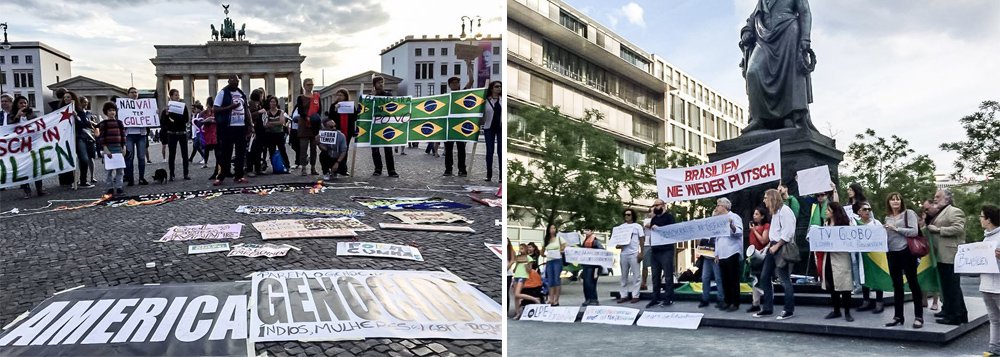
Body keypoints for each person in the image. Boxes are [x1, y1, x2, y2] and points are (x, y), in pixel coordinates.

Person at [738, 0, 815, 132]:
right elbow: (754, 16)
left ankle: (790, 116)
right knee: (753, 72)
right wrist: (747, 30)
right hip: (764, 37)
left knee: (790, 75)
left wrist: (805, 38)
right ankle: (758, 118)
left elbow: (805, 12)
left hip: (788, 32)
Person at [881, 192, 924, 328]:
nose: (895, 202)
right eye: (892, 200)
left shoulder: (908, 213)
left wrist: (896, 228)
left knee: (912, 282)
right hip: (892, 252)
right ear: (888, 202)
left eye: (898, 199)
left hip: (906, 251)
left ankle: (919, 317)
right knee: (897, 285)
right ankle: (898, 316)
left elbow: (914, 232)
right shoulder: (887, 217)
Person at [929, 188, 969, 325]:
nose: (935, 198)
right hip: (940, 254)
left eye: (938, 196)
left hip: (950, 255)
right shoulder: (940, 212)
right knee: (946, 285)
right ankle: (950, 310)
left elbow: (959, 228)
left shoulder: (954, 211)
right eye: (935, 196)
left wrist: (939, 230)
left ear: (947, 198)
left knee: (952, 286)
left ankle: (955, 316)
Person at [756, 188, 796, 320]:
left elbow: (788, 232)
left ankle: (788, 310)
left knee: (784, 279)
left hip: (781, 247)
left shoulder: (785, 211)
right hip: (773, 246)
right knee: (764, 276)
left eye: (766, 198)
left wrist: (777, 245)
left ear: (772, 199)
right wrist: (769, 246)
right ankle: (767, 308)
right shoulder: (775, 213)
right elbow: (775, 233)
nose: (764, 200)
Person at [212, 75, 251, 186]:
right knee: (225, 153)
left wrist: (250, 124)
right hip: (227, 127)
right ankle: (221, 176)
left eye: (237, 81)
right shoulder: (222, 93)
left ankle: (239, 175)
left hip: (241, 126)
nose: (235, 83)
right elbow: (215, 108)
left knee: (240, 153)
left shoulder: (242, 94)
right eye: (233, 81)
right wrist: (230, 107)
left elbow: (246, 109)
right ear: (228, 81)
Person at [820, 202, 855, 322]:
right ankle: (836, 310)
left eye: (828, 210)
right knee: (832, 284)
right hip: (829, 257)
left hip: (841, 256)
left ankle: (847, 312)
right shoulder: (826, 224)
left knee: (845, 284)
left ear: (834, 212)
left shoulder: (846, 224)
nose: (826, 212)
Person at [10, 95, 45, 198]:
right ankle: (27, 190)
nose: (23, 105)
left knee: (36, 166)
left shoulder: (32, 114)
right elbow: (10, 125)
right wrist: (17, 116)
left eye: (25, 103)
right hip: (19, 146)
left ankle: (39, 189)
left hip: (32, 144)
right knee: (23, 167)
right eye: (21, 103)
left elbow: (37, 125)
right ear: (17, 104)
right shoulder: (12, 114)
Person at [856, 201, 886, 314]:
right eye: (864, 209)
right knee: (865, 276)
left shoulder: (876, 223)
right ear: (859, 212)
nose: (867, 211)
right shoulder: (855, 224)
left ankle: (879, 302)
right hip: (863, 255)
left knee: (877, 277)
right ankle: (866, 301)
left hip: (876, 255)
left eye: (869, 209)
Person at [646, 199, 677, 308]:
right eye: (653, 205)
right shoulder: (654, 218)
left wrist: (658, 229)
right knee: (655, 276)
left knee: (668, 276)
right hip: (655, 250)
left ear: (663, 206)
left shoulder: (669, 217)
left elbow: (672, 232)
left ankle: (669, 298)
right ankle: (655, 298)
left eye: (657, 205)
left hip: (666, 250)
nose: (654, 207)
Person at [978, 204, 1000, 356]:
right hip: (986, 284)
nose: (980, 219)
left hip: (998, 285)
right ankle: (994, 348)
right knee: (994, 319)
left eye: (981, 216)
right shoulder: (986, 238)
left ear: (988, 219)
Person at [715, 198, 744, 312]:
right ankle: (727, 301)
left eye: (719, 205)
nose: (717, 207)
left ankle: (735, 302)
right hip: (722, 253)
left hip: (732, 251)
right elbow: (717, 237)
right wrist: (716, 253)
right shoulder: (718, 220)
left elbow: (739, 232)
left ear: (725, 206)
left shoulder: (734, 217)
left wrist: (731, 226)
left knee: (733, 279)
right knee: (724, 279)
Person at [442, 76, 472, 177]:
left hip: (460, 126)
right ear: (449, 85)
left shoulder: (462, 94)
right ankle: (448, 169)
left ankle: (462, 169)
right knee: (448, 149)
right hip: (449, 126)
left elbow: (471, 81)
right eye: (453, 83)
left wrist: (468, 66)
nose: (455, 84)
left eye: (457, 82)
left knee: (461, 149)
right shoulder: (446, 97)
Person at [369, 76, 398, 177]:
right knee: (375, 149)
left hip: (386, 125)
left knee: (388, 149)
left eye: (382, 82)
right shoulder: (370, 96)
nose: (381, 84)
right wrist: (372, 97)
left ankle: (391, 170)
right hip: (374, 126)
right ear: (374, 85)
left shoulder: (388, 95)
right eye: (378, 83)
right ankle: (378, 168)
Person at [97, 102, 127, 196]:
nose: (112, 112)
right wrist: (105, 148)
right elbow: (102, 137)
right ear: (106, 112)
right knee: (108, 171)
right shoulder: (103, 124)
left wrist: (124, 147)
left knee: (120, 170)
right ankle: (109, 188)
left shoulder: (119, 123)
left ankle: (119, 187)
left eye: (113, 110)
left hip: (118, 148)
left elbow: (123, 136)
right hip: (109, 148)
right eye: (110, 110)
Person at [160, 89, 191, 181]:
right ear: (171, 97)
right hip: (172, 134)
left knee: (185, 155)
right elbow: (163, 122)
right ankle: (172, 174)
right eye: (176, 95)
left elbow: (185, 119)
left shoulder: (183, 107)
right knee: (172, 155)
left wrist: (174, 118)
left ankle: (186, 173)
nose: (178, 97)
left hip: (182, 133)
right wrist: (166, 114)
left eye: (178, 95)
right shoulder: (166, 109)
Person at [616, 210, 645, 304]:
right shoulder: (621, 227)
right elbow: (618, 241)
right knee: (624, 275)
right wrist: (618, 245)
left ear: (633, 216)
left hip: (634, 253)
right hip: (624, 253)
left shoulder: (637, 227)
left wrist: (641, 253)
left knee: (636, 275)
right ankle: (623, 295)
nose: (626, 216)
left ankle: (635, 295)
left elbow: (641, 239)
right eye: (625, 215)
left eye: (628, 214)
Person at [121, 87, 149, 186]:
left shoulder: (144, 106)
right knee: (129, 157)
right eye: (132, 92)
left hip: (141, 134)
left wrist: (155, 112)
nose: (134, 94)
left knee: (141, 157)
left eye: (136, 92)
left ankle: (141, 178)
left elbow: (150, 116)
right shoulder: (123, 106)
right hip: (129, 135)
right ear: (128, 94)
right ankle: (130, 179)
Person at [326, 88, 357, 176]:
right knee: (335, 149)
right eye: (338, 95)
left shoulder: (350, 105)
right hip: (337, 130)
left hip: (348, 130)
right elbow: (330, 117)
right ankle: (334, 167)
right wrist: (335, 110)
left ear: (345, 96)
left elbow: (354, 117)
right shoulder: (333, 106)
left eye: (341, 95)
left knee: (344, 149)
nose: (339, 97)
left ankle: (343, 169)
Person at [746, 206, 771, 313]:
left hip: (762, 255)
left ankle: (767, 301)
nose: (754, 216)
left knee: (764, 279)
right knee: (754, 279)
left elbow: (763, 240)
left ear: (762, 216)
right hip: (753, 256)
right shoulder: (754, 227)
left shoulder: (766, 226)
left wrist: (754, 231)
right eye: (754, 214)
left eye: (757, 214)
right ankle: (755, 303)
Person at [921, 199, 942, 312]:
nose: (926, 210)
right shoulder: (926, 218)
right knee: (924, 275)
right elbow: (922, 231)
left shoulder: (938, 217)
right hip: (925, 251)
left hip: (936, 251)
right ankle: (923, 299)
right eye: (924, 209)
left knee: (935, 276)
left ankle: (935, 302)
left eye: (927, 208)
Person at [509, 244, 540, 318]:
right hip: (516, 275)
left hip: (523, 276)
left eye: (522, 248)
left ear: (525, 249)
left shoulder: (529, 258)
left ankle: (535, 299)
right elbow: (515, 268)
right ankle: (517, 313)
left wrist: (527, 267)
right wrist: (515, 268)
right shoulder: (518, 257)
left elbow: (530, 270)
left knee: (517, 294)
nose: (520, 250)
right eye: (520, 248)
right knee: (516, 296)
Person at [262, 96, 289, 173]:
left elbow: (281, 122)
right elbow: (265, 124)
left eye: (274, 102)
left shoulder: (281, 112)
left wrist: (271, 123)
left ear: (276, 103)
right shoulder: (266, 112)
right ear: (269, 103)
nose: (273, 103)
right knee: (271, 151)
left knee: (282, 150)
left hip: (279, 134)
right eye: (271, 102)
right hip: (270, 134)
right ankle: (275, 167)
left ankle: (287, 166)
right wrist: (275, 123)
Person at [697, 232, 724, 309]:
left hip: (716, 257)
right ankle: (705, 299)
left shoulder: (718, 233)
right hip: (706, 258)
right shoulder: (705, 234)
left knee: (718, 278)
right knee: (705, 278)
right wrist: (699, 249)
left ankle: (721, 299)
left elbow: (721, 244)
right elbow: (701, 244)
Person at [541, 225, 566, 306]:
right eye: (551, 228)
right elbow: (542, 251)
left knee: (556, 279)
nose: (552, 230)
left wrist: (561, 250)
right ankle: (551, 299)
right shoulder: (546, 240)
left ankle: (556, 299)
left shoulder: (559, 238)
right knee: (550, 280)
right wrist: (545, 255)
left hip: (557, 260)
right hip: (549, 260)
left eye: (554, 228)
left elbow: (564, 247)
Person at [481, 80, 502, 182]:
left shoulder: (503, 100)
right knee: (490, 151)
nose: (499, 88)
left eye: (500, 87)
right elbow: (482, 114)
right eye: (497, 86)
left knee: (501, 152)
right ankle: (489, 175)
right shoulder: (486, 100)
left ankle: (501, 177)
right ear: (492, 88)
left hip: (500, 128)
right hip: (489, 128)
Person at [580, 229, 605, 306]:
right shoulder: (585, 241)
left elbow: (601, 251)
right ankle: (588, 299)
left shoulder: (595, 241)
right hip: (586, 265)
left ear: (592, 232)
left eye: (588, 230)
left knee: (590, 283)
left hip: (594, 266)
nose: (586, 232)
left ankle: (593, 299)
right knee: (586, 283)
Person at [246, 88, 267, 176]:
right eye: (261, 95)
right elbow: (248, 115)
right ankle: (249, 169)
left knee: (259, 149)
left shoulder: (260, 104)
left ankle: (258, 168)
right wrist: (258, 112)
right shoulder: (250, 103)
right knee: (251, 149)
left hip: (260, 128)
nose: (262, 97)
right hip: (253, 128)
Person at [197, 97, 218, 172]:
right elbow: (198, 122)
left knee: (215, 148)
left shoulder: (215, 112)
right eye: (209, 106)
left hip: (213, 132)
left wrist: (212, 121)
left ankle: (216, 163)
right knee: (206, 148)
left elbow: (219, 120)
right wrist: (205, 121)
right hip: (207, 132)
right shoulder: (203, 113)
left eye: (211, 106)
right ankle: (205, 162)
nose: (210, 108)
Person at [640, 207, 654, 291]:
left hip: (656, 244)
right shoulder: (646, 220)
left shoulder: (659, 219)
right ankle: (643, 283)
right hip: (647, 244)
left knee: (655, 266)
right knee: (645, 265)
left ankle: (656, 283)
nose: (652, 213)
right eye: (650, 211)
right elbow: (646, 226)